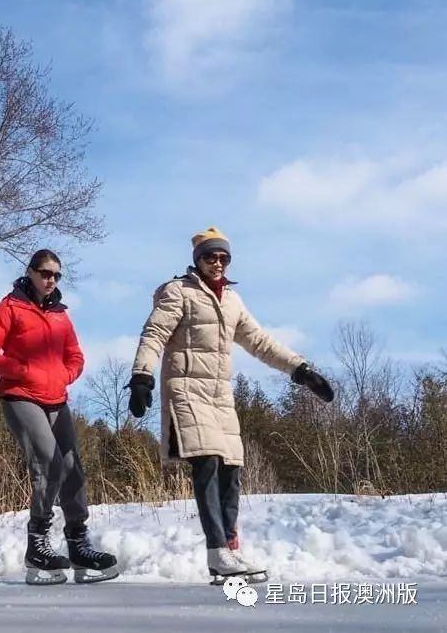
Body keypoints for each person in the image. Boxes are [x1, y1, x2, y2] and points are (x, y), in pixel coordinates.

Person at [127, 227, 334, 584]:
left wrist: (300, 370)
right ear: (198, 260)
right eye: (211, 256)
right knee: (206, 462)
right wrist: (142, 375)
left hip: (221, 396)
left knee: (231, 470)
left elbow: (260, 342)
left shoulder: (232, 301)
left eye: (224, 257)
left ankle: (230, 547)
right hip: (187, 389)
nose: (218, 263)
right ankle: (217, 550)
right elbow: (154, 334)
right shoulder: (180, 292)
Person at [0, 249, 118, 585]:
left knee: (71, 468)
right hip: (20, 396)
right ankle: (37, 544)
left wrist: (65, 375)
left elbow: (76, 355)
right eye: (45, 273)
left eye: (56, 275)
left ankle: (78, 543)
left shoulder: (61, 316)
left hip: (57, 398)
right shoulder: (8, 308)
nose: (50, 279)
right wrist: (20, 370)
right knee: (48, 462)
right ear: (30, 272)